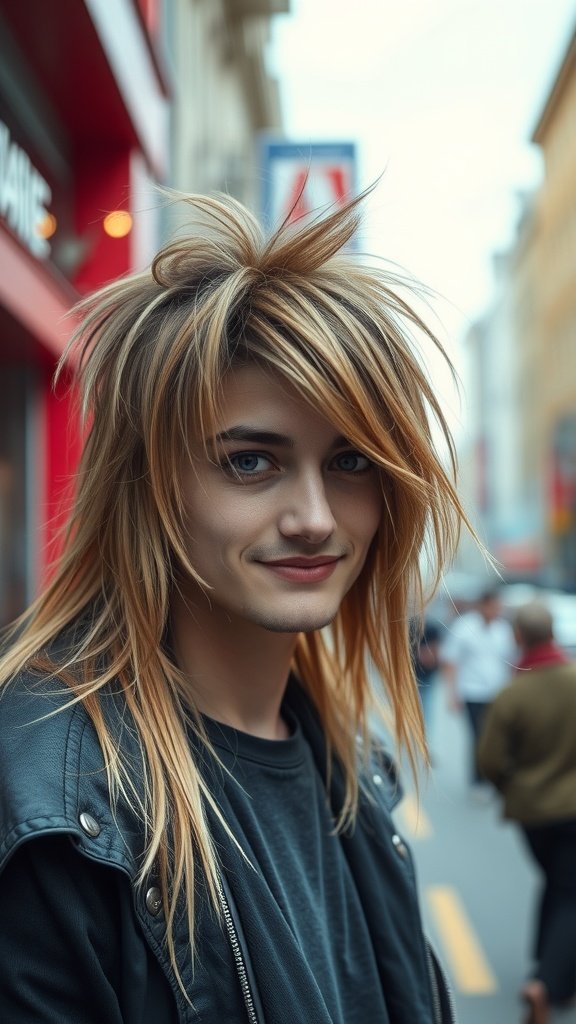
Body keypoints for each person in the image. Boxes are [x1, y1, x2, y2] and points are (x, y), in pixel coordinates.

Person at [0, 190, 466, 1022]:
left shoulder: (352, 766)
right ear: (149, 486)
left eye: (352, 462)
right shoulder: (56, 804)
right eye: (251, 462)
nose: (316, 518)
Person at [477, 602, 576, 1024]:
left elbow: (489, 762)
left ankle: (547, 969)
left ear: (517, 637)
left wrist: (514, 788)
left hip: (532, 814)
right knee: (571, 892)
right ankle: (547, 986)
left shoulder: (512, 693)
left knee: (557, 883)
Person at [439, 587, 516, 795]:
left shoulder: (503, 630)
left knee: (500, 738)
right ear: (483, 606)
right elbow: (450, 661)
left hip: (498, 693)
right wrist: (451, 693)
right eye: (492, 606)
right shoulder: (464, 627)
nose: (495, 611)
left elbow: (512, 662)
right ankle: (478, 781)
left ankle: (496, 778)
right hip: (472, 692)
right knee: (479, 737)